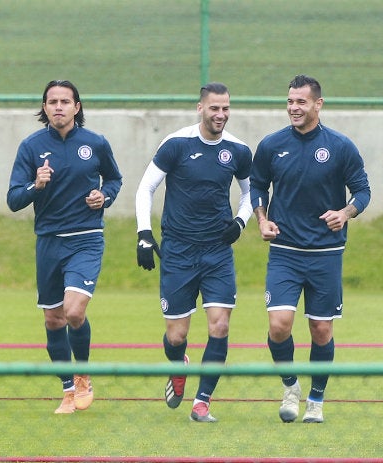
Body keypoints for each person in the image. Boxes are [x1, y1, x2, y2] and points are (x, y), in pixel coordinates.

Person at [250, 75, 371, 423]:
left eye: (301, 102)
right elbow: (257, 186)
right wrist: (261, 219)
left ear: (318, 104)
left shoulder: (340, 146)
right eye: (290, 101)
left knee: (321, 329)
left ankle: (316, 400)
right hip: (285, 252)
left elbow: (362, 191)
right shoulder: (272, 145)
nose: (293, 108)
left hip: (326, 254)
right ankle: (291, 387)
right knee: (279, 325)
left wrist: (345, 213)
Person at [135, 82, 253, 422]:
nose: (221, 115)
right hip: (177, 251)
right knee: (177, 335)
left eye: (226, 108)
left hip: (217, 252)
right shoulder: (176, 144)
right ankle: (178, 365)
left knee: (220, 326)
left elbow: (252, 194)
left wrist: (241, 222)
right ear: (200, 108)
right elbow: (146, 188)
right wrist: (144, 233)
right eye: (214, 108)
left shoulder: (239, 151)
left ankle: (202, 402)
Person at [7, 80, 122, 414]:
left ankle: (83, 375)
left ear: (77, 106)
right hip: (48, 242)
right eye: (52, 101)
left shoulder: (95, 143)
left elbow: (113, 180)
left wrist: (105, 197)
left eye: (64, 101)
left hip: (86, 238)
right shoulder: (30, 147)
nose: (58, 106)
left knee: (74, 311)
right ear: (44, 108)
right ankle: (68, 390)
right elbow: (14, 198)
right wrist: (35, 184)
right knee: (54, 320)